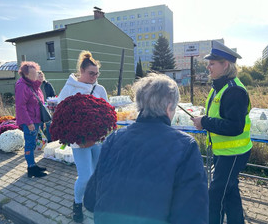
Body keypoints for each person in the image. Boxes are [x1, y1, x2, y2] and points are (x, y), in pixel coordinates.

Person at [84, 74, 209, 224]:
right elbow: (193, 215)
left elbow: (90, 200)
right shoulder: (185, 146)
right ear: (169, 107)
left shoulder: (114, 138)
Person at [191, 40, 252, 224]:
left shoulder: (234, 91)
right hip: (225, 152)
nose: (208, 67)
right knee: (230, 192)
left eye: (212, 63)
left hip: (233, 153)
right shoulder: (221, 86)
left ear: (225, 65)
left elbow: (235, 126)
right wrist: (204, 119)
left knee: (216, 195)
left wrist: (205, 122)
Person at [57, 50, 108, 223]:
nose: (94, 76)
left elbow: (107, 111)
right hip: (79, 142)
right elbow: (60, 114)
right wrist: (74, 133)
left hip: (98, 139)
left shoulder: (99, 89)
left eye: (96, 73)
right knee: (85, 176)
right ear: (81, 71)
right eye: (91, 73)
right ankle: (77, 204)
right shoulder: (69, 88)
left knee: (98, 174)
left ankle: (94, 201)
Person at [15, 61, 47, 178]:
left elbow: (39, 104)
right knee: (29, 144)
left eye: (36, 73)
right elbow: (20, 106)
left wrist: (41, 122)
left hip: (36, 120)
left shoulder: (34, 85)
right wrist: (29, 123)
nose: (36, 75)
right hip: (30, 121)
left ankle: (33, 165)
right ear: (26, 74)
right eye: (33, 74)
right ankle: (31, 168)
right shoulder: (22, 86)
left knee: (33, 144)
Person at [37, 71, 56, 142]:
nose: (41, 78)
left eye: (41, 76)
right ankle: (41, 141)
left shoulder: (48, 84)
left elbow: (53, 94)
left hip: (47, 107)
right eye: (39, 76)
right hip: (38, 107)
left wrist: (51, 102)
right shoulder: (34, 85)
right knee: (40, 124)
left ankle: (50, 140)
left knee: (49, 123)